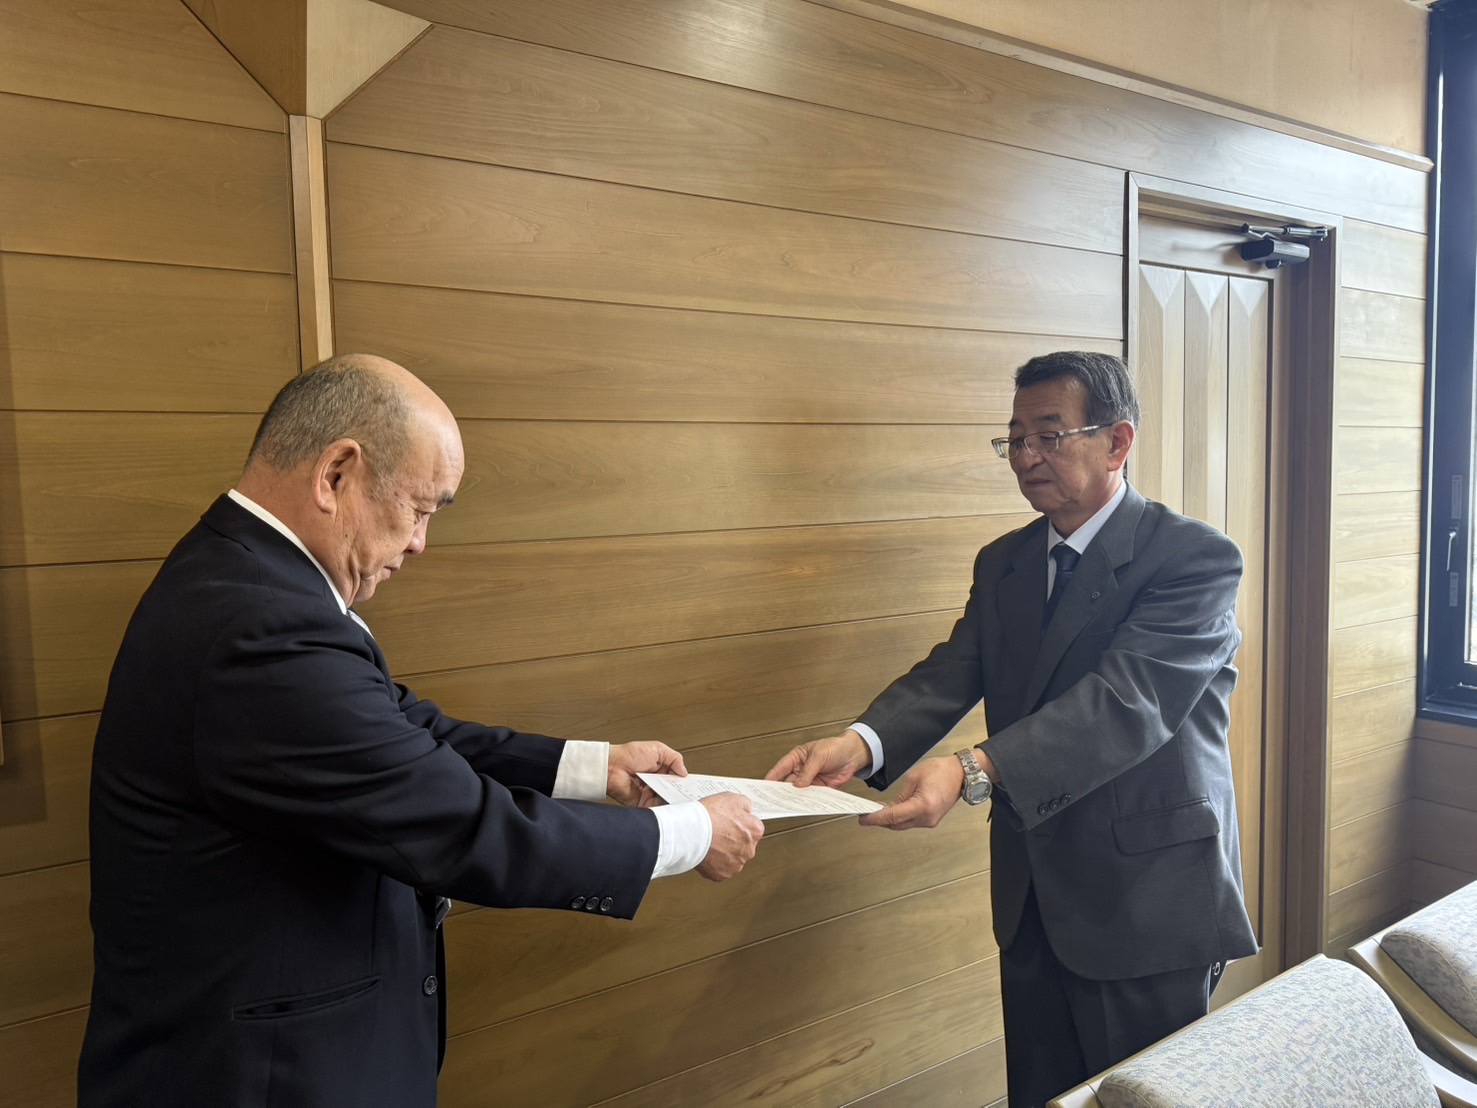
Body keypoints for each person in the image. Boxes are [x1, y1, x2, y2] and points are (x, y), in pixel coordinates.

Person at [78, 354, 764, 1107]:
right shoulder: (260, 626)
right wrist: (689, 835)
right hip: (254, 1076)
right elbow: (460, 825)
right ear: (337, 474)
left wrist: (595, 768)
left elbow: (400, 729)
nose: (419, 543)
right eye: (419, 508)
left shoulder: (247, 576)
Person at [768, 351, 1257, 1107]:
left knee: (1142, 1096)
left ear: (1117, 441)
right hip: (1032, 892)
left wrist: (973, 769)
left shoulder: (1192, 559)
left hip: (1146, 898)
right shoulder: (1005, 562)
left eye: (1049, 435)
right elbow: (953, 669)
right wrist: (859, 744)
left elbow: (1126, 702)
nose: (1027, 457)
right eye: (1015, 439)